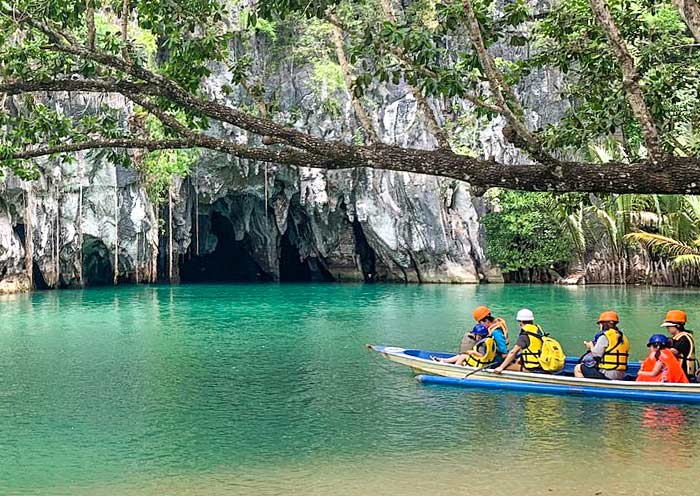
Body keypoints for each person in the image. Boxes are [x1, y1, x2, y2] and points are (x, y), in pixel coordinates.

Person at [574, 311, 629, 380]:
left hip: (607, 374)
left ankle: (584, 388)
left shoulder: (605, 337)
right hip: (620, 374)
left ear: (603, 324)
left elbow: (596, 354)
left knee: (578, 367)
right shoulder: (623, 337)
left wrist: (591, 346)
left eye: (600, 324)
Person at [494, 309, 547, 374]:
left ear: (521, 322)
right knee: (516, 362)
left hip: (533, 368)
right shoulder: (538, 331)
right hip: (542, 364)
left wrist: (501, 367)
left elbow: (513, 352)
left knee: (506, 367)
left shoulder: (525, 335)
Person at [661, 310, 697, 381]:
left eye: (669, 326)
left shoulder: (684, 338)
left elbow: (673, 352)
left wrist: (659, 348)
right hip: (678, 371)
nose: (667, 328)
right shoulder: (676, 337)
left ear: (677, 326)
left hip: (685, 371)